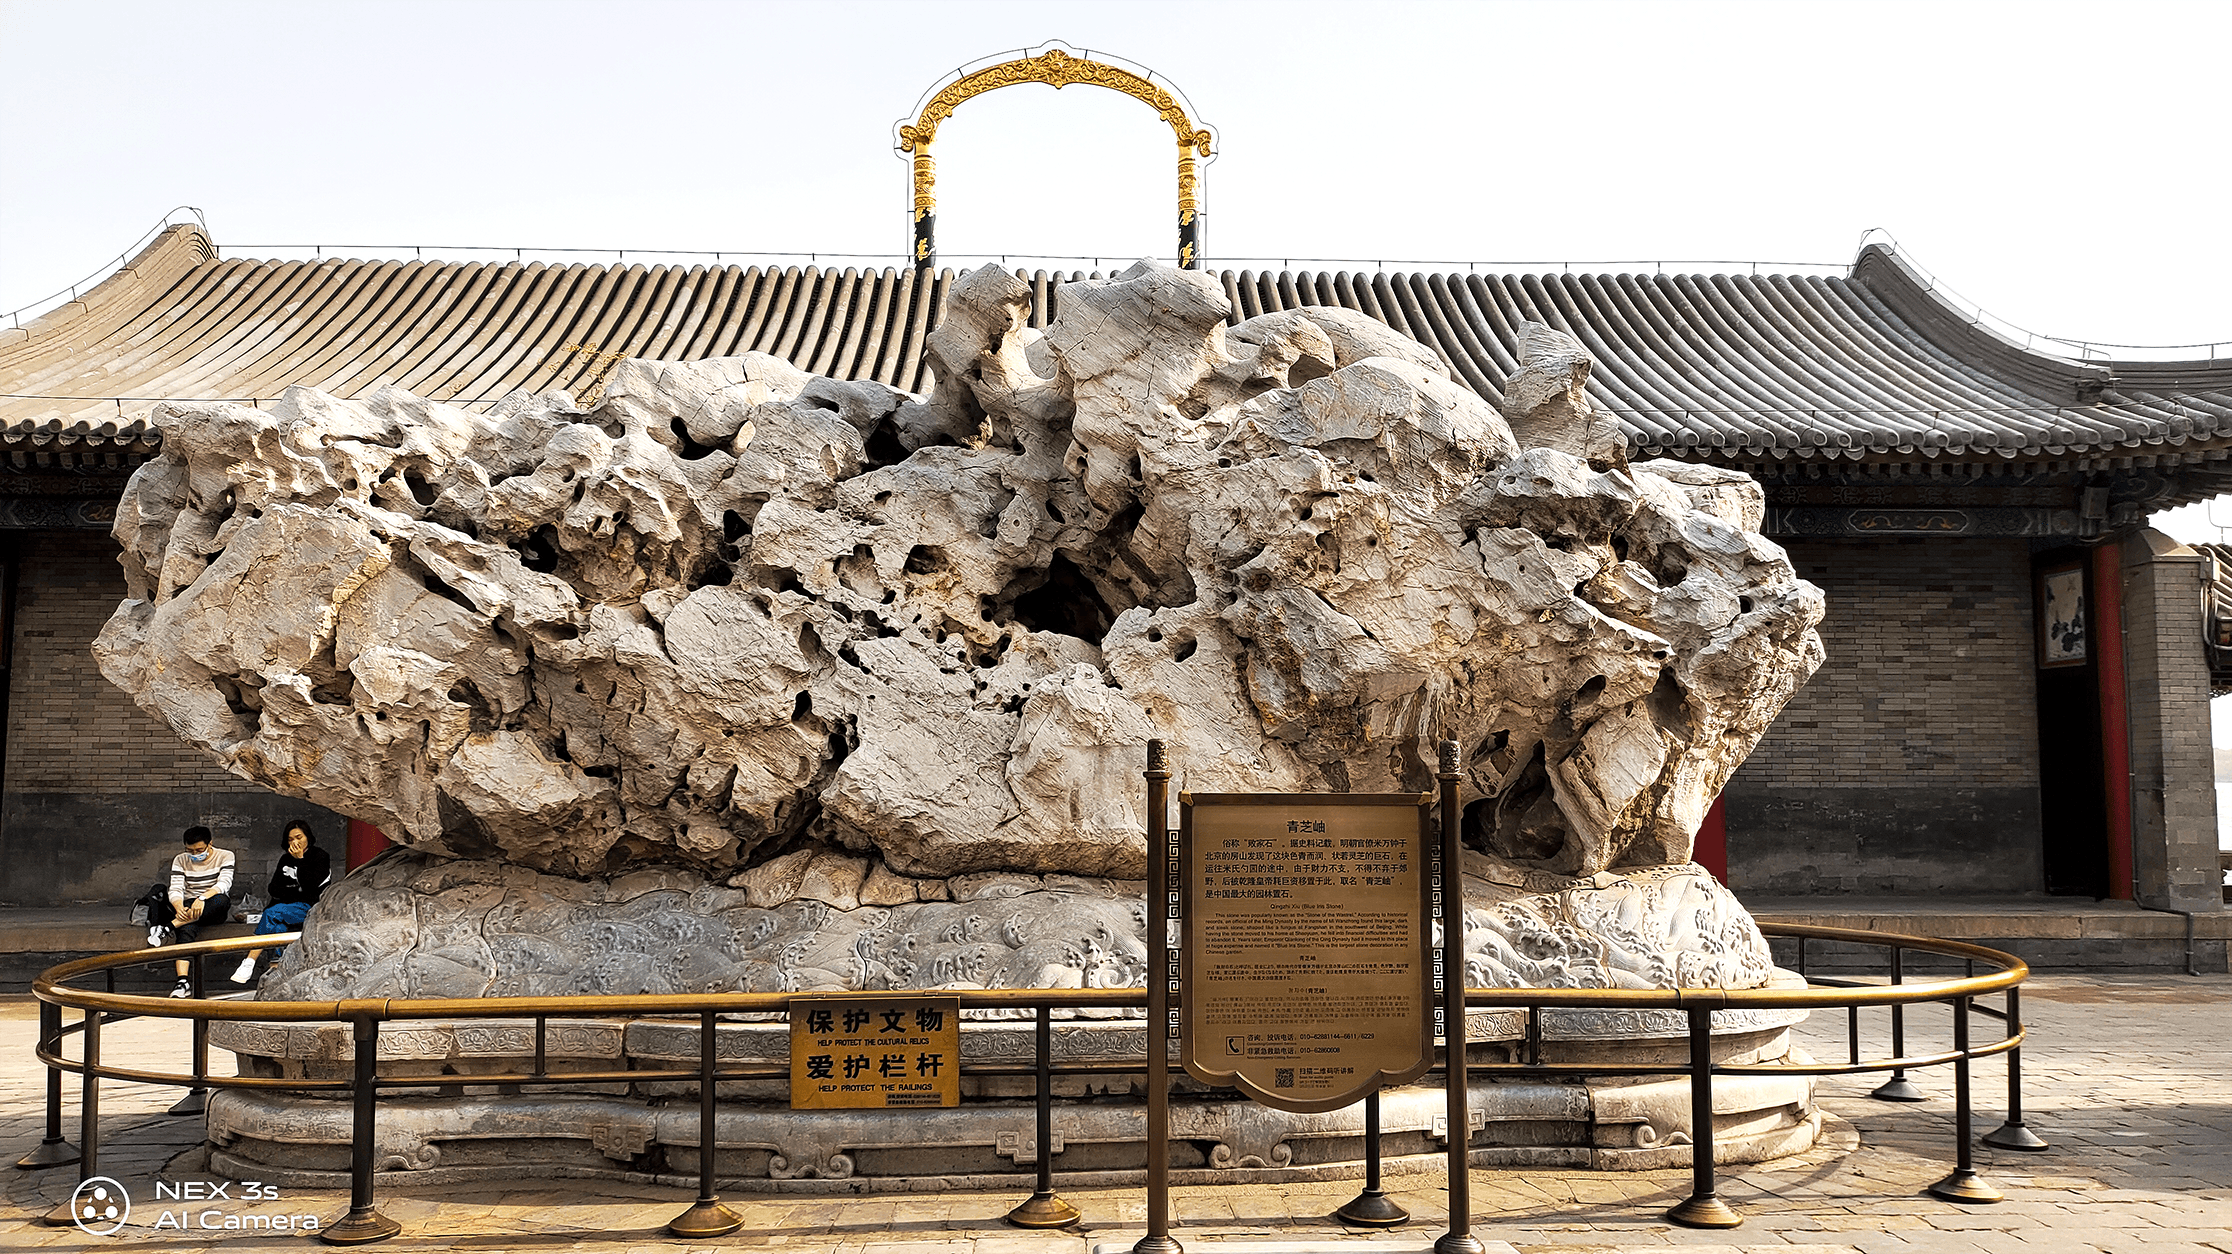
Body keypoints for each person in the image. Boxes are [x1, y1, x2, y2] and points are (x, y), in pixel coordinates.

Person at [232, 821, 330, 984]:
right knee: (277, 927)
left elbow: (310, 887)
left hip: (309, 907)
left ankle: (249, 961)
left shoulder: (320, 857)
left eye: (299, 837)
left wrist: (300, 861)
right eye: (291, 839)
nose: (295, 843)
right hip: (284, 908)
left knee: (272, 913)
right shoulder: (285, 859)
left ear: (308, 837)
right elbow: (274, 889)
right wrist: (294, 891)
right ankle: (275, 972)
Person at [148, 826, 234, 997]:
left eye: (199, 850)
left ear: (210, 844)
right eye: (190, 850)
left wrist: (202, 899)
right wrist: (179, 908)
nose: (195, 854)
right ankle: (182, 982)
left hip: (212, 903)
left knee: (222, 900)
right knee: (186, 929)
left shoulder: (225, 855)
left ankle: (166, 928)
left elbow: (224, 884)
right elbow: (176, 888)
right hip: (188, 907)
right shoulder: (180, 860)